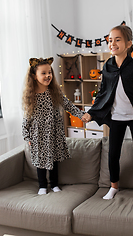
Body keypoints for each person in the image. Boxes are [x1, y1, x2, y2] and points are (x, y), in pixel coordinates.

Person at [82, 25, 133, 201]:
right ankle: (113, 186)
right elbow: (103, 92)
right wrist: (91, 113)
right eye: (110, 40)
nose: (112, 43)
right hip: (116, 117)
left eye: (117, 39)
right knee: (113, 153)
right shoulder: (108, 66)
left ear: (129, 43)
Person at [22, 57, 90, 195]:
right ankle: (42, 185)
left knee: (54, 160)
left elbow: (68, 105)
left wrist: (80, 114)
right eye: (43, 73)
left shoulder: (55, 92)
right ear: (34, 76)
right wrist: (26, 135)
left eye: (50, 72)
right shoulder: (31, 96)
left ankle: (54, 184)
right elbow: (27, 117)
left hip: (54, 133)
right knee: (40, 161)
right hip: (38, 134)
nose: (48, 76)